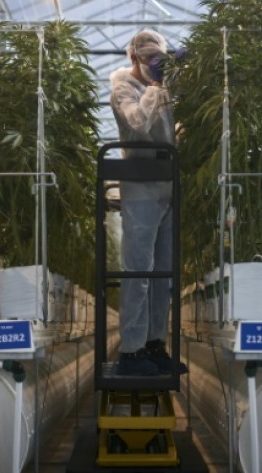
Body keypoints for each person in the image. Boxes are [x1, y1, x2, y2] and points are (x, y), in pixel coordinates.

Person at [109, 30, 185, 377]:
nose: (156, 66)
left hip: (168, 180)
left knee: (162, 272)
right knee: (138, 269)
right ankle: (132, 351)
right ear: (133, 57)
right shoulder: (123, 86)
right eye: (150, 59)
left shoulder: (167, 86)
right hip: (140, 182)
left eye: (161, 59)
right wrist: (155, 88)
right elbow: (137, 124)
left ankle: (155, 343)